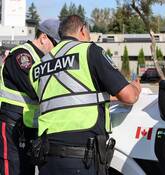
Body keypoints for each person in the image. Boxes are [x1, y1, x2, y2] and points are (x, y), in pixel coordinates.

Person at [30, 15, 141, 175]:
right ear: (82, 30)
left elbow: (74, 97)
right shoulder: (89, 51)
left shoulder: (38, 67)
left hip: (47, 159)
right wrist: (136, 87)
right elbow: (129, 97)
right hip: (82, 159)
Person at [0, 19, 60, 175]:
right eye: (56, 43)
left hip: (29, 128)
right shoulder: (22, 55)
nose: (57, 49)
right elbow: (37, 89)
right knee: (12, 170)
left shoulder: (44, 60)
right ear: (44, 37)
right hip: (13, 125)